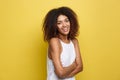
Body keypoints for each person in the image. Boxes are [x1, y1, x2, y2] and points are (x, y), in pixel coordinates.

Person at [42, 6, 83, 80]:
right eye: (59, 23)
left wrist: (65, 72)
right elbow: (60, 73)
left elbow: (80, 67)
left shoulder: (74, 42)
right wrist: (74, 65)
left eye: (66, 21)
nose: (64, 25)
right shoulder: (54, 41)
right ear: (54, 26)